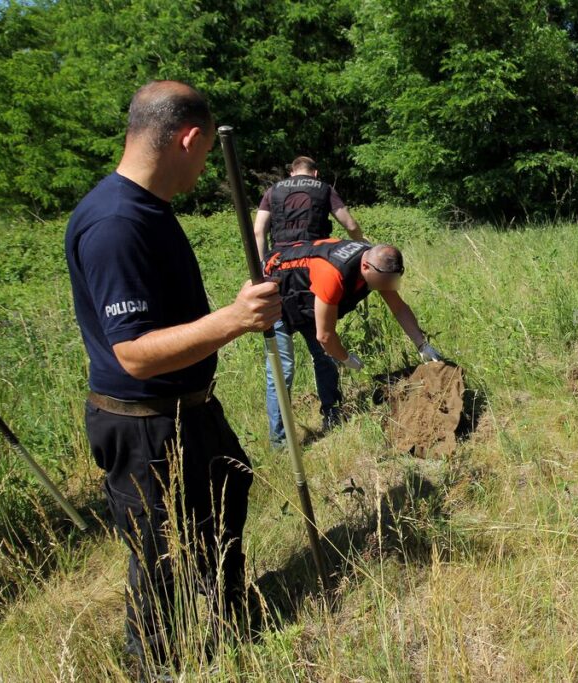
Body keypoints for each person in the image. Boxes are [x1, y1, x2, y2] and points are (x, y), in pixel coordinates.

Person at [65, 81, 281, 669]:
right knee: (159, 555)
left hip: (189, 409)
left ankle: (225, 623)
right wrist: (236, 319)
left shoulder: (148, 209)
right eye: (207, 151)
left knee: (229, 491)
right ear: (188, 138)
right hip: (143, 425)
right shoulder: (115, 223)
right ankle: (157, 665)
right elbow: (133, 352)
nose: (206, 164)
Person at [263, 238, 442, 440]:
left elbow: (398, 307)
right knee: (282, 370)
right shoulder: (333, 273)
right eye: (383, 283)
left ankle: (333, 414)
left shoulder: (379, 266)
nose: (385, 287)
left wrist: (422, 344)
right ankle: (280, 441)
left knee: (326, 358)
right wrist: (346, 358)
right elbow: (325, 335)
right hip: (276, 292)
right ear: (365, 267)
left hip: (308, 297)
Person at [254, 157, 365, 443]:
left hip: (277, 275)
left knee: (279, 365)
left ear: (290, 172)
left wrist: (260, 269)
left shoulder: (273, 191)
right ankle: (332, 414)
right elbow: (349, 223)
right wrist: (360, 246)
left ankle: (279, 440)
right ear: (315, 172)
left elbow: (258, 230)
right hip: (311, 273)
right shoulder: (323, 187)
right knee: (322, 349)